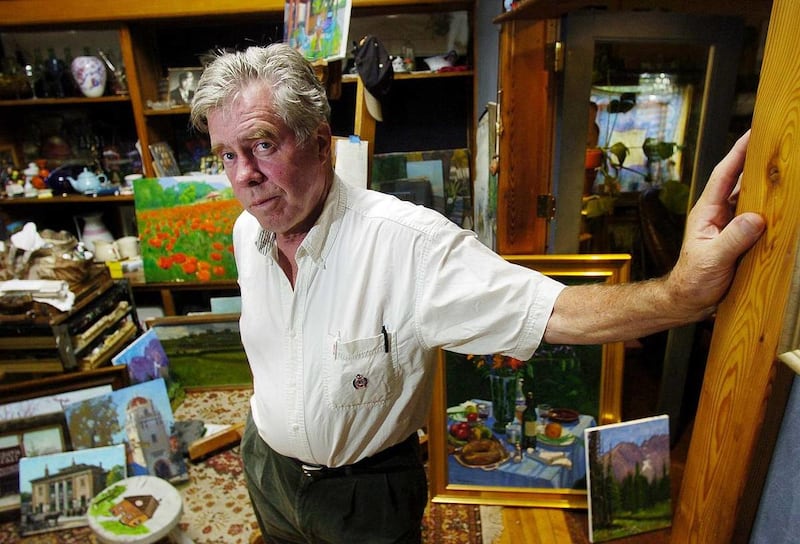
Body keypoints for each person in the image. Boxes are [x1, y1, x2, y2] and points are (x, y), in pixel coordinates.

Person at [190, 43, 765, 543]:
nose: (243, 176)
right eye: (227, 156)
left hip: (362, 495)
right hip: (265, 467)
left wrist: (683, 294)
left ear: (321, 145)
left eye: (262, 145)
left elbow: (554, 311)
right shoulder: (249, 231)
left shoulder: (407, 245)